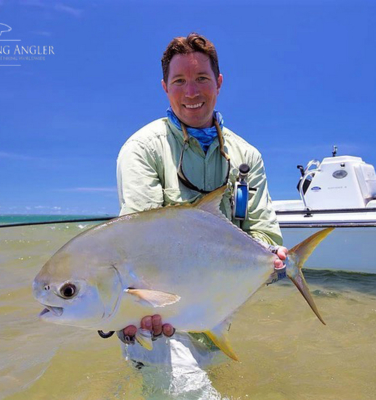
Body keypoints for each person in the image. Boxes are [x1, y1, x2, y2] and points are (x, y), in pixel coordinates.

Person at [115, 33, 287, 379]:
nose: (191, 92)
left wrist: (273, 260)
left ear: (219, 83)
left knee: (218, 380)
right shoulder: (143, 149)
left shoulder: (247, 156)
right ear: (165, 87)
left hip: (217, 310)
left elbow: (264, 231)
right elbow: (138, 244)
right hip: (156, 319)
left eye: (201, 79)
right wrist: (121, 314)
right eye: (179, 81)